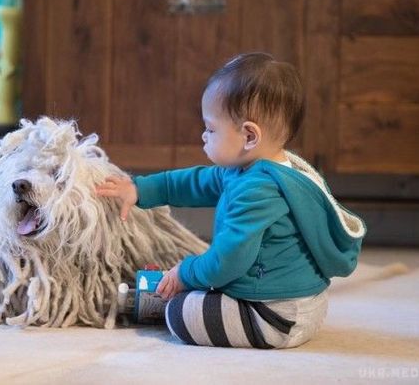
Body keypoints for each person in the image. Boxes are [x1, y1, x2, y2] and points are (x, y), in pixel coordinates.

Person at [96, 52, 366, 349]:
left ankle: (165, 302)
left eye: (211, 129)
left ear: (250, 136)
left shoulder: (259, 191)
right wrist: (139, 190)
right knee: (195, 287)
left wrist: (184, 273)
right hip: (298, 304)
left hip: (274, 315)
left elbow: (228, 262)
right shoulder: (255, 168)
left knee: (179, 313)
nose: (203, 136)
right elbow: (194, 182)